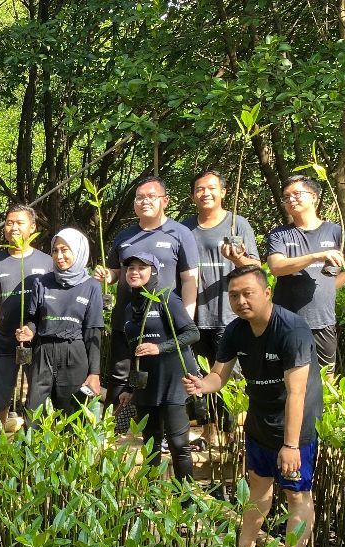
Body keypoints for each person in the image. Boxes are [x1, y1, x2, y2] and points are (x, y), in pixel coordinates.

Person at [184, 265, 323, 547]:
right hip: (260, 418)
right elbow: (218, 376)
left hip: (295, 425)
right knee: (258, 485)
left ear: (266, 292)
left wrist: (291, 445)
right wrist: (201, 385)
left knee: (297, 496)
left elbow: (297, 393)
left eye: (248, 294)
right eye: (234, 296)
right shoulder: (236, 330)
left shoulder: (291, 329)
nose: (241, 301)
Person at [97, 177, 199, 413]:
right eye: (140, 197)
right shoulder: (125, 236)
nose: (145, 201)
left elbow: (189, 279)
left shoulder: (180, 233)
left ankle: (160, 434)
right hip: (128, 318)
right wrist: (106, 277)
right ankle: (112, 433)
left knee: (160, 375)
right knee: (119, 375)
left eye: (151, 196)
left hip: (164, 322)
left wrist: (185, 319)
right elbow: (115, 273)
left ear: (165, 200)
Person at [182, 170, 260, 446]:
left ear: (224, 192)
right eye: (199, 189)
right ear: (192, 195)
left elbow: (255, 267)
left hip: (228, 315)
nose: (205, 193)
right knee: (199, 376)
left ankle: (230, 435)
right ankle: (207, 432)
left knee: (229, 376)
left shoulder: (237, 224)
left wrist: (237, 259)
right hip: (194, 315)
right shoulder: (185, 228)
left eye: (211, 188)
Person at [118, 253, 200, 481]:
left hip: (173, 382)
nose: (134, 271)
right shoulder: (128, 309)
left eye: (141, 267)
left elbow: (193, 333)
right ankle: (151, 499)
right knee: (151, 444)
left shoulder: (167, 298)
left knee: (178, 443)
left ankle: (185, 500)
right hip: (146, 385)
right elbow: (133, 352)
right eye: (130, 267)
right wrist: (129, 387)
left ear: (153, 271)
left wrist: (159, 347)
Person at [0, 204, 53, 422]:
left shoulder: (47, 262)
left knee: (38, 400)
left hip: (37, 341)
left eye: (19, 222)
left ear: (32, 227)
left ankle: (33, 447)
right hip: (1, 339)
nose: (13, 227)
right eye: (9, 222)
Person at [266, 175, 345, 369]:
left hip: (322, 320)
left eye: (297, 194)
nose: (291, 199)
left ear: (314, 196)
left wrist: (327, 287)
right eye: (286, 197)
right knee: (285, 378)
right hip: (286, 320)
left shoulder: (335, 232)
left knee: (326, 380)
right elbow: (276, 267)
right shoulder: (279, 234)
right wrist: (317, 256)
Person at [16, 228, 103, 417]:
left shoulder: (92, 286)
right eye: (55, 250)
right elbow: (32, 319)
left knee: (72, 417)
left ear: (78, 251)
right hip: (43, 353)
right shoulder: (42, 282)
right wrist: (29, 331)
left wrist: (94, 373)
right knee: (34, 414)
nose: (59, 256)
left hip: (74, 354)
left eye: (65, 250)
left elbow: (93, 333)